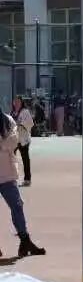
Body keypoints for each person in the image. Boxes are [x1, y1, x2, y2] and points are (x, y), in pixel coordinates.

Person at [0, 108, 44, 258]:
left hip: (6, 173)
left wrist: (2, 145)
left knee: (17, 206)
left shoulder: (7, 120)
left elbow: (14, 141)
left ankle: (25, 241)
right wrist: (4, 144)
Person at [11, 96, 33, 186]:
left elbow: (30, 123)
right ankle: (11, 178)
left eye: (18, 102)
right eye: (15, 102)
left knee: (25, 160)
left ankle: (27, 179)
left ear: (21, 103)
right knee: (11, 159)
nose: (16, 103)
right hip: (14, 139)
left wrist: (21, 124)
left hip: (23, 139)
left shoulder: (25, 112)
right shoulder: (12, 112)